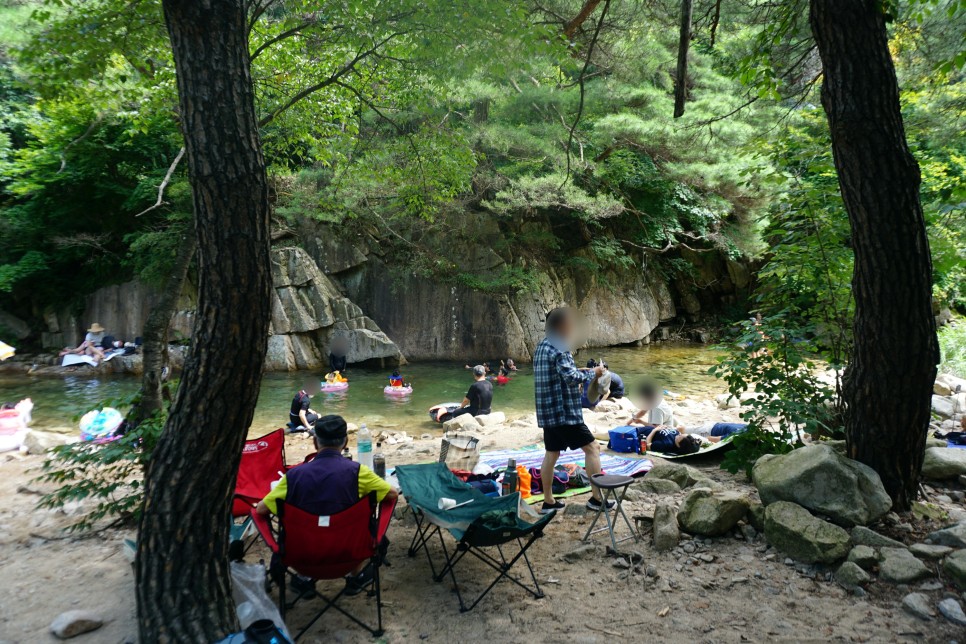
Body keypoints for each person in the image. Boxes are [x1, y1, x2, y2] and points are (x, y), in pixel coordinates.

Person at [257, 415, 398, 596]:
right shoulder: (358, 473)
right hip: (350, 554)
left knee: (303, 528)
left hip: (303, 558)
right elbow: (392, 494)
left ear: (315, 443)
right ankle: (355, 578)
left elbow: (261, 510)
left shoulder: (294, 476)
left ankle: (304, 579)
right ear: (345, 441)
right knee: (360, 525)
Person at [534, 307, 611, 513]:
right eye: (570, 323)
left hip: (547, 413)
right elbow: (570, 378)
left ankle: (548, 502)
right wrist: (593, 372)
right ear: (562, 325)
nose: (572, 327)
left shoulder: (542, 346)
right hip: (564, 413)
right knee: (593, 448)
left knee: (551, 454)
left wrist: (581, 371)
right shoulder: (561, 347)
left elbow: (560, 373)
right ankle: (597, 499)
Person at [639, 426, 703, 455]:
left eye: (680, 436)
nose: (679, 434)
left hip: (639, 432)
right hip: (647, 427)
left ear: (679, 444)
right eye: (681, 434)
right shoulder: (681, 437)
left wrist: (654, 430)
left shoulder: (667, 445)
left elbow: (647, 445)